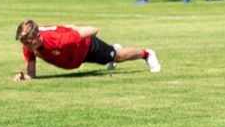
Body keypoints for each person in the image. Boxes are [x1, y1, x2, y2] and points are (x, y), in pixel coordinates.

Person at [13, 20, 160, 81]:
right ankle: (112, 50)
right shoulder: (29, 47)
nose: (25, 46)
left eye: (27, 42)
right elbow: (31, 74)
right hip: (76, 56)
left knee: (117, 57)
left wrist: (74, 30)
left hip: (88, 47)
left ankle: (147, 54)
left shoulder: (59, 40)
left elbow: (93, 30)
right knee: (111, 56)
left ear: (37, 36)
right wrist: (23, 77)